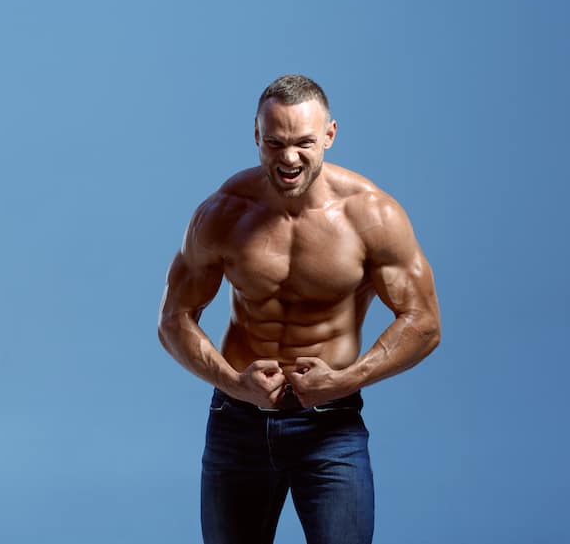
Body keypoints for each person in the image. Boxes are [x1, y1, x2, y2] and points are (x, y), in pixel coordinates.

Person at [157, 74, 441, 544]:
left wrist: (345, 380)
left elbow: (425, 323)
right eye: (275, 143)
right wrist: (232, 383)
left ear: (330, 134)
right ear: (256, 136)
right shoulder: (224, 212)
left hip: (330, 428)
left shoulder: (372, 216)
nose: (289, 158)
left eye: (304, 142)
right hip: (237, 421)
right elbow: (173, 319)